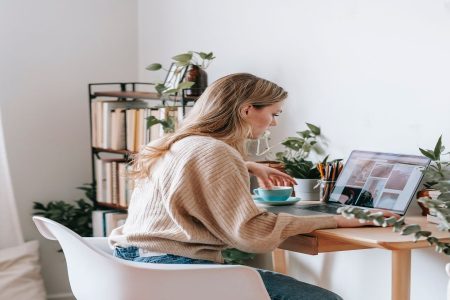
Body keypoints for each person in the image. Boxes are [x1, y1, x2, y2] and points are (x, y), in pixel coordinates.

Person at [109, 73, 394, 300]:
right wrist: (337, 221)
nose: (273, 123)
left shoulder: (176, 143)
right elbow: (250, 233)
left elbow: (188, 172)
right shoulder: (216, 153)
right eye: (274, 114)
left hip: (134, 263)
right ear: (246, 110)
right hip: (172, 269)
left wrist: (246, 165)